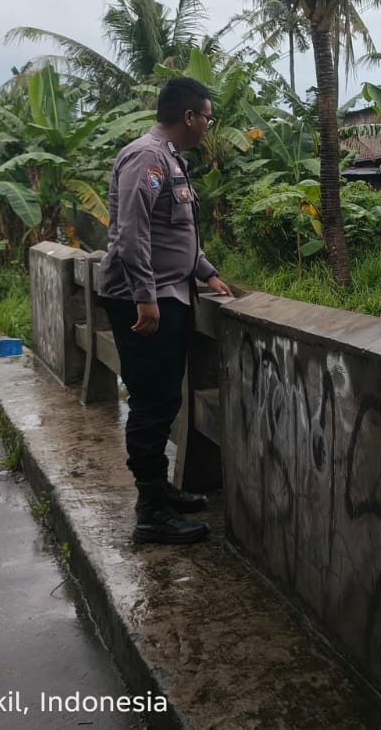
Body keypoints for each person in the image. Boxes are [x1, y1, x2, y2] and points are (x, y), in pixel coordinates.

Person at [97, 77, 230, 544]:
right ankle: (150, 512)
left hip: (171, 292)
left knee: (165, 397)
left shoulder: (170, 159)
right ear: (189, 117)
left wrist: (206, 272)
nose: (208, 125)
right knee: (152, 402)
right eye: (207, 117)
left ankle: (158, 491)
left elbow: (174, 232)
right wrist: (145, 295)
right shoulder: (146, 158)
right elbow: (132, 233)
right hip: (147, 300)